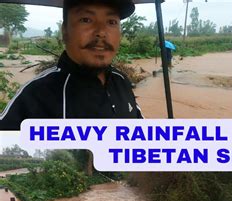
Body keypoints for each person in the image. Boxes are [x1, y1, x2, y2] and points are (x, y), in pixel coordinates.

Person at [0, 0, 143, 130]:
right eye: (86, 20)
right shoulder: (35, 96)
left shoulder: (121, 81)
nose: (101, 32)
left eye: (111, 22)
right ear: (65, 31)